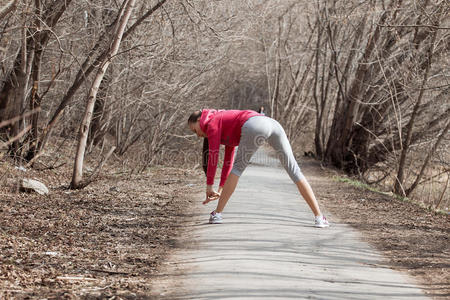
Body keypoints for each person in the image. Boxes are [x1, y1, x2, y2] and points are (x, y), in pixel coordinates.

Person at [188, 109, 329, 228]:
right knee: (294, 170)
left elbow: (213, 155)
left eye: (195, 130)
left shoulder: (212, 123)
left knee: (238, 169)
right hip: (273, 124)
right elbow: (228, 160)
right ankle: (319, 218)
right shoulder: (221, 120)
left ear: (200, 119)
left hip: (255, 124)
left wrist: (209, 186)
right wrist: (219, 189)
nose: (198, 135)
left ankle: (217, 214)